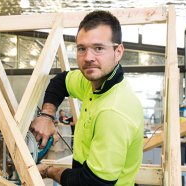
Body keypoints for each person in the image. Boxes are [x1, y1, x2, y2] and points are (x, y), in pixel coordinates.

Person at [30, 10, 144, 185]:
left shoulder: (113, 111)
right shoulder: (92, 82)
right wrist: (46, 115)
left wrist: (49, 171)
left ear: (118, 51)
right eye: (82, 49)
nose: (88, 58)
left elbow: (92, 183)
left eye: (99, 48)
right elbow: (61, 82)